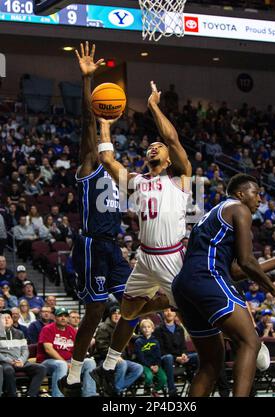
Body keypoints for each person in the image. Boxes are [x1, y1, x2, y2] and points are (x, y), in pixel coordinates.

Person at [91, 78, 192, 394]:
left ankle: (246, 343)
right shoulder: (136, 182)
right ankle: (107, 369)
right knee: (129, 312)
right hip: (145, 258)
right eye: (151, 145)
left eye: (158, 146)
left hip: (171, 259)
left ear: (168, 158)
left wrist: (153, 106)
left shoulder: (182, 179)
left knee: (197, 310)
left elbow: (172, 138)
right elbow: (107, 160)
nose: (155, 146)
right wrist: (105, 123)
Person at [58, 42, 135, 397]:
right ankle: (72, 376)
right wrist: (87, 81)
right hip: (90, 244)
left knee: (135, 303)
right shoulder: (89, 164)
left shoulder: (118, 169)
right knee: (96, 309)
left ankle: (108, 366)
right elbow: (88, 124)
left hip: (113, 247)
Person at [172, 173, 275, 397]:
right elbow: (246, 261)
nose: (260, 199)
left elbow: (235, 270)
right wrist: (273, 288)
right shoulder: (239, 209)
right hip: (207, 277)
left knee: (210, 364)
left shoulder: (215, 214)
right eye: (256, 193)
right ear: (240, 194)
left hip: (185, 285)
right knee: (250, 342)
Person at [37, 307, 97, 397]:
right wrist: (65, 362)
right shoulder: (47, 329)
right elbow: (48, 349)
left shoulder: (71, 330)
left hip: (69, 361)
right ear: (55, 317)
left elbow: (79, 347)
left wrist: (76, 361)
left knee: (90, 362)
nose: (63, 318)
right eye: (60, 316)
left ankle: (89, 394)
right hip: (48, 361)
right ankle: (58, 395)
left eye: (65, 316)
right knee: (61, 365)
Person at [93, 305, 143, 396]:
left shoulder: (122, 327)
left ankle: (116, 389)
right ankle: (117, 391)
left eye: (119, 314)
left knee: (138, 368)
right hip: (104, 359)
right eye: (114, 314)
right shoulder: (104, 327)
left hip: (120, 359)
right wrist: (114, 356)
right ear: (110, 315)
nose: (117, 315)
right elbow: (101, 346)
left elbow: (133, 337)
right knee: (122, 364)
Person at [0, 310, 47, 397]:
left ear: (11, 320)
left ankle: (31, 395)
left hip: (21, 362)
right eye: (3, 318)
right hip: (5, 363)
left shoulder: (19, 333)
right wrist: (10, 361)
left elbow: (25, 350)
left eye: (8, 318)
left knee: (41, 368)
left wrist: (21, 360)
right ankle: (12, 395)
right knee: (8, 370)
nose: (6, 320)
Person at [154, 308, 198, 397]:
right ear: (163, 313)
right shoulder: (158, 329)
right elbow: (161, 350)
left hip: (180, 357)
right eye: (166, 310)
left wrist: (184, 354)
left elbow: (183, 347)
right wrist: (176, 358)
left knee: (198, 356)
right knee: (169, 357)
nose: (169, 312)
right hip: (166, 358)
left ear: (175, 314)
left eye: (171, 310)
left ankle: (194, 382)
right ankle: (172, 391)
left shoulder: (180, 328)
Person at [134, 319, 167, 397]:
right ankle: (148, 388)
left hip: (155, 365)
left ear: (152, 329)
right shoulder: (138, 342)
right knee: (149, 377)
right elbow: (141, 357)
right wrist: (150, 366)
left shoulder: (156, 341)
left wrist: (157, 365)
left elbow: (158, 356)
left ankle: (154, 390)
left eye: (149, 327)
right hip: (145, 364)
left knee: (163, 379)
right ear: (141, 329)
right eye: (144, 327)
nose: (146, 329)